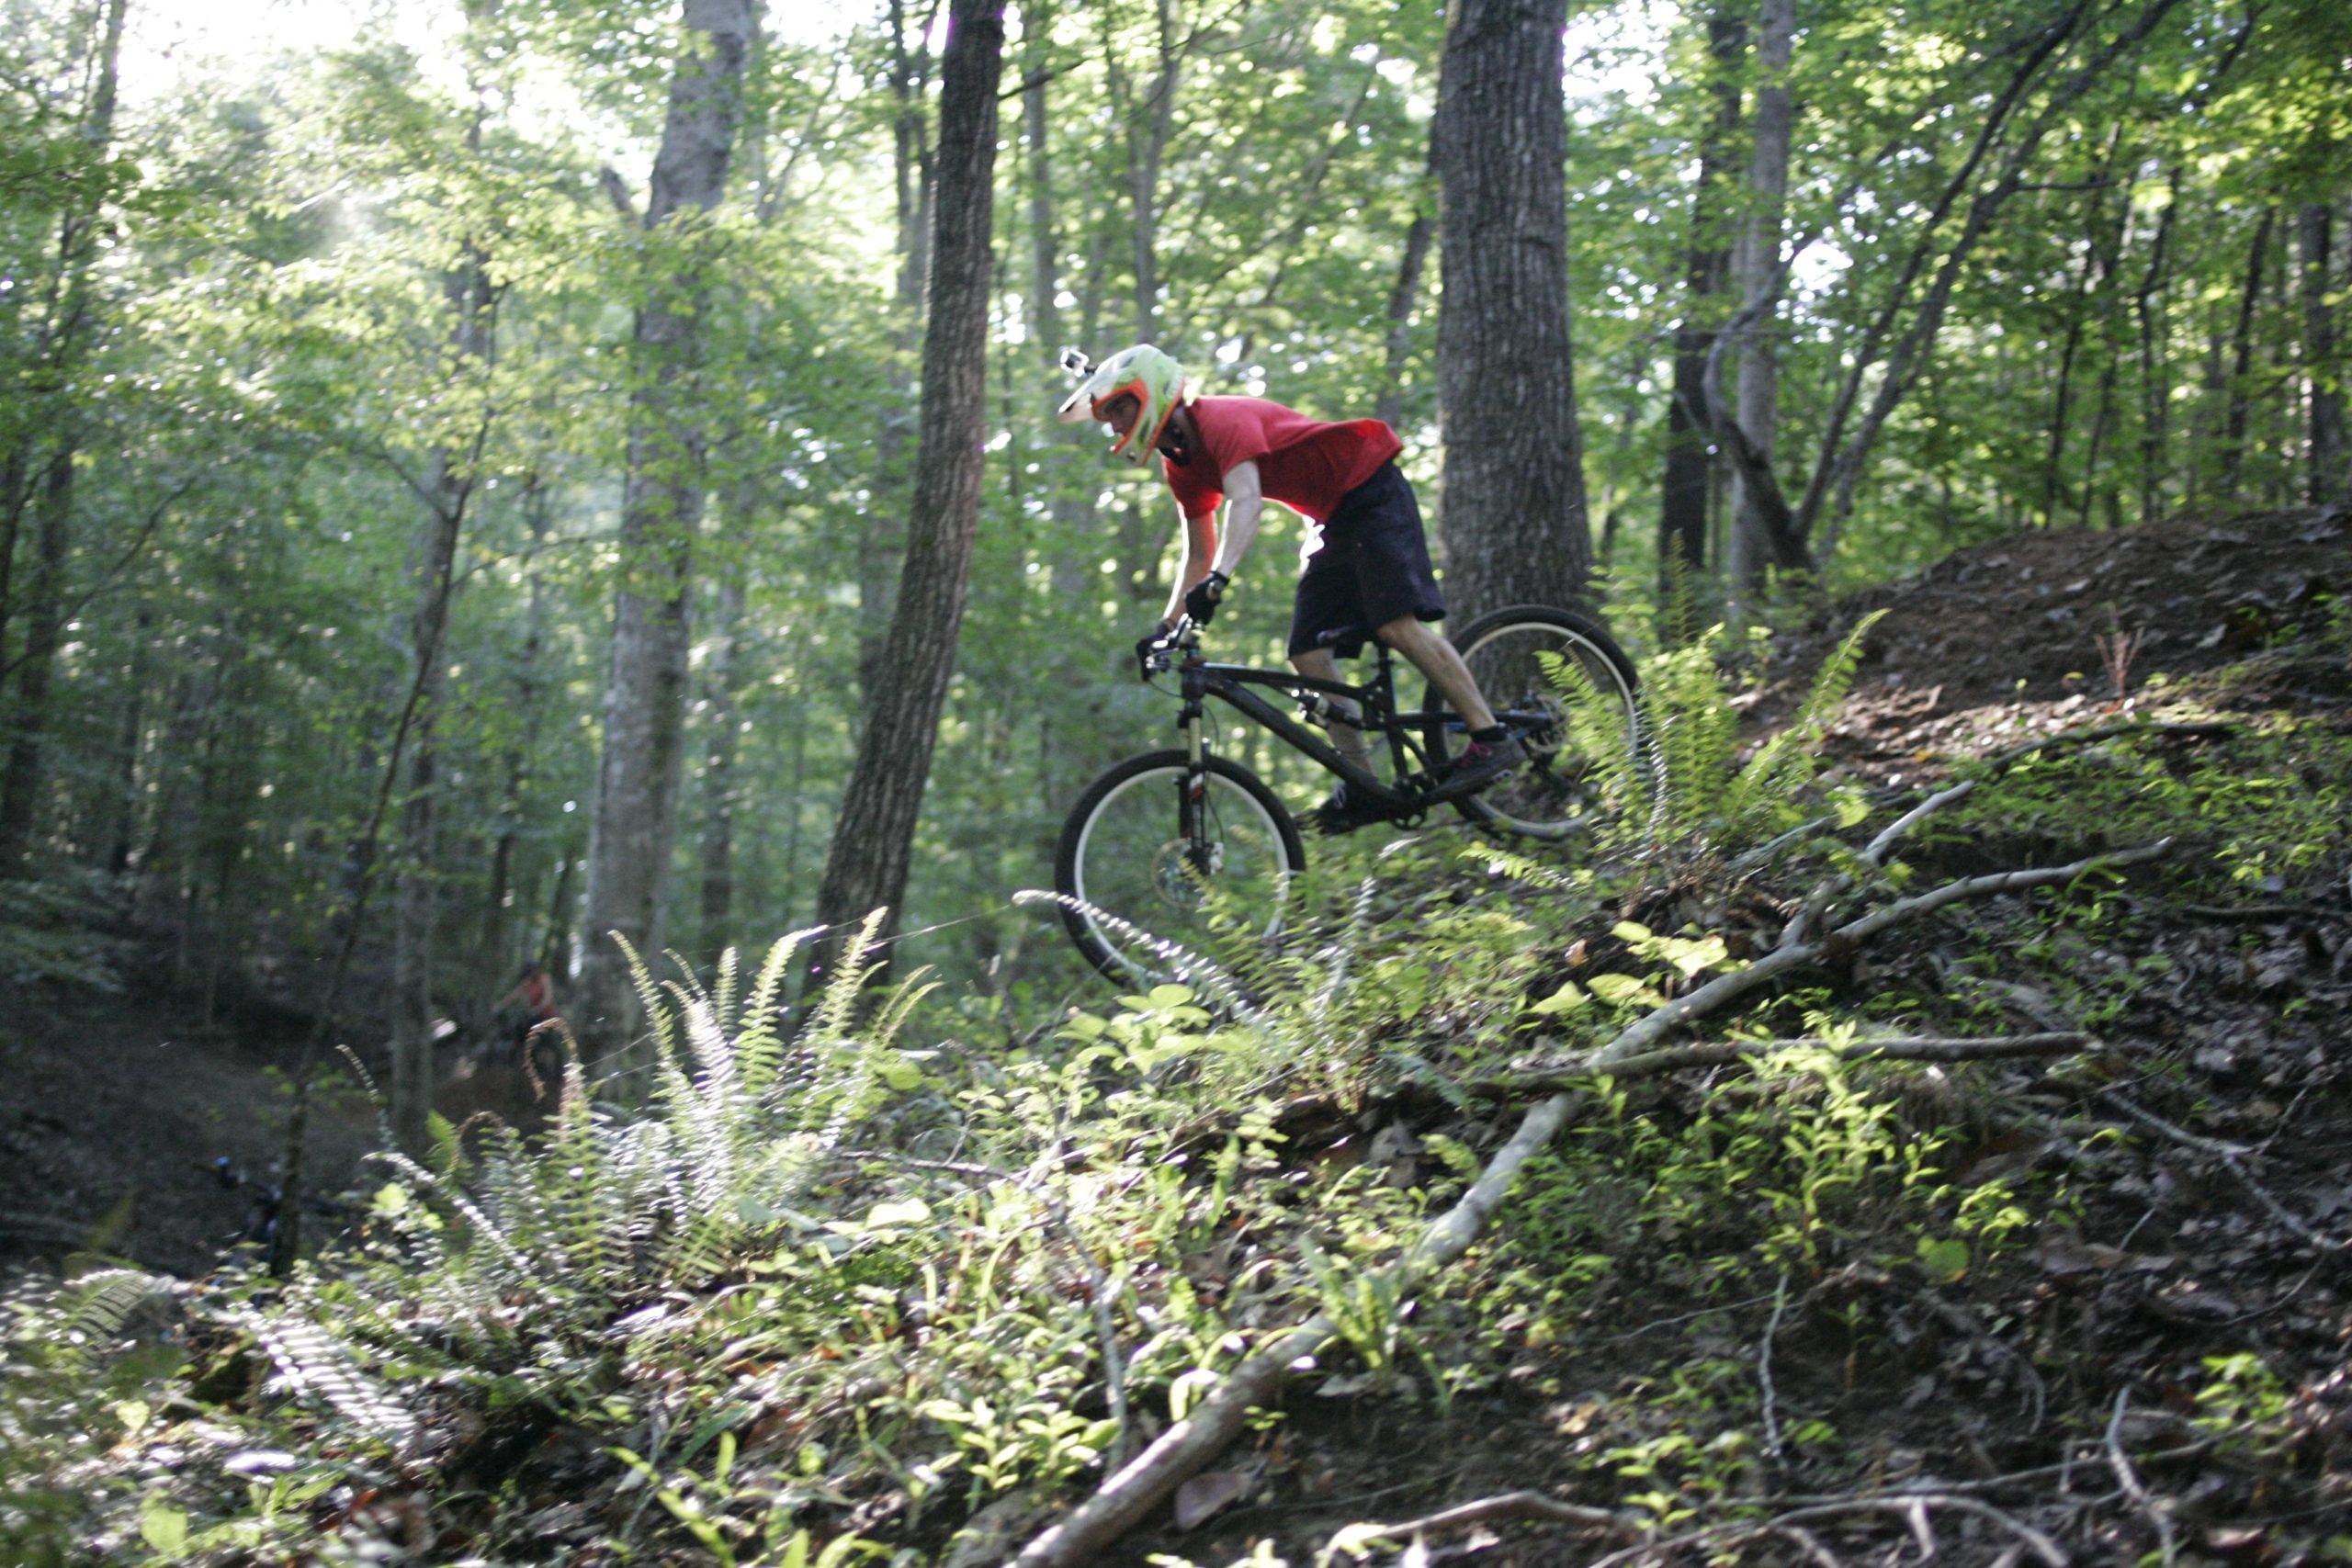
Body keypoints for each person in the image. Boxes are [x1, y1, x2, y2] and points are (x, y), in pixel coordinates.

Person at [1057, 343, 1522, 833]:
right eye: (1107, 416)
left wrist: (1219, 579)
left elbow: (1246, 501)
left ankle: (1489, 735)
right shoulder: (1181, 466)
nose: (1112, 426)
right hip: (1331, 519)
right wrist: (1167, 625)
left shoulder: (1221, 421)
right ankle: (1365, 786)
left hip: (1371, 490)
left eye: (1118, 409)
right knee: (1307, 653)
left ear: (1150, 392)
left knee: (1394, 626)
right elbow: (1197, 553)